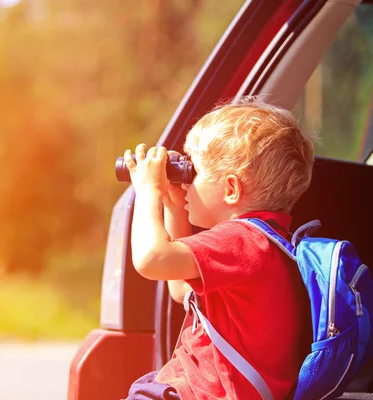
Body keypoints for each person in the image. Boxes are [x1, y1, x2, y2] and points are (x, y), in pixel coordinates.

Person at [122, 97, 315, 400]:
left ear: (230, 189)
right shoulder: (268, 243)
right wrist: (174, 209)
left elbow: (152, 259)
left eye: (192, 172)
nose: (185, 183)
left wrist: (148, 191)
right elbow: (180, 291)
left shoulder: (239, 240)